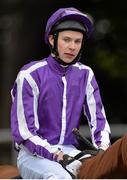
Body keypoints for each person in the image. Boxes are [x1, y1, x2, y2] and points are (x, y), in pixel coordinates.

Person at [10, 7, 111, 179]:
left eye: (78, 42)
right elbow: (25, 134)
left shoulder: (86, 74)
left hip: (72, 152)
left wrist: (102, 151)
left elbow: (99, 121)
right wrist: (58, 155)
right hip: (33, 156)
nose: (72, 47)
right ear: (52, 40)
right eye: (66, 40)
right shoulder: (29, 75)